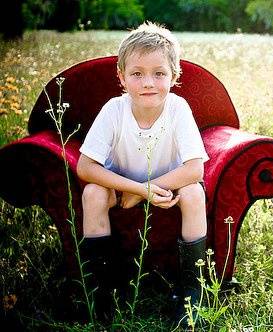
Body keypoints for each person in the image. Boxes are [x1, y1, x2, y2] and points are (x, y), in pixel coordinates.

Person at [76, 22, 208, 324]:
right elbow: (85, 167)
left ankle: (191, 292)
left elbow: (194, 169)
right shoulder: (113, 109)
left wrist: (144, 190)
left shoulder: (178, 108)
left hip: (168, 185)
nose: (148, 82)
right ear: (121, 77)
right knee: (93, 192)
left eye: (159, 73)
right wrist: (136, 189)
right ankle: (103, 291)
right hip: (118, 187)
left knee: (194, 191)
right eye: (137, 73)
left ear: (174, 76)